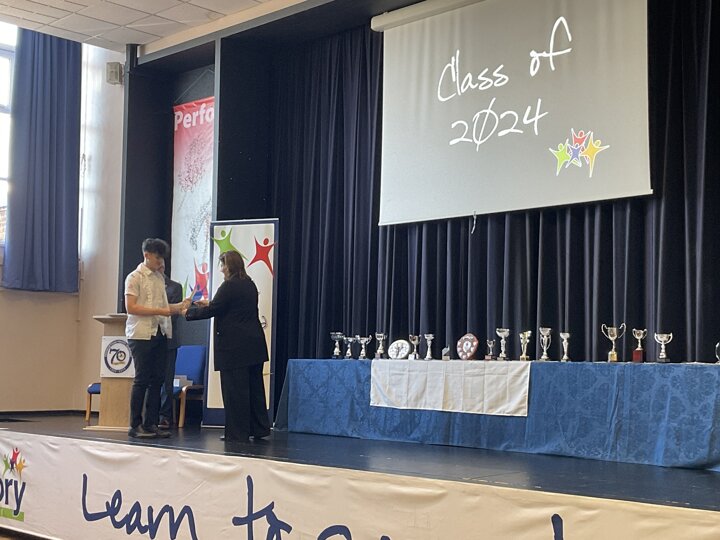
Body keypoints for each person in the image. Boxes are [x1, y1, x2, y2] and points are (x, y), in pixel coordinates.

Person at [183, 250, 271, 443]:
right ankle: (259, 428)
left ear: (230, 266)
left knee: (235, 392)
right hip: (254, 345)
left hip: (234, 348)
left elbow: (215, 309)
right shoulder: (249, 284)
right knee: (255, 390)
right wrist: (211, 303)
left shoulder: (229, 285)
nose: (221, 269)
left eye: (223, 265)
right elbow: (230, 306)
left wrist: (188, 312)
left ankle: (237, 433)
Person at [125, 238, 189, 439]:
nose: (160, 262)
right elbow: (131, 307)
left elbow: (164, 307)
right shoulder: (134, 277)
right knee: (141, 379)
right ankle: (135, 425)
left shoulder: (160, 279)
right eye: (157, 258)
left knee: (158, 380)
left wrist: (180, 307)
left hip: (160, 332)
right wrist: (160, 311)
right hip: (141, 334)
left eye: (162, 258)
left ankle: (151, 423)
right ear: (147, 255)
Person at [159, 262, 183, 429]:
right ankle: (149, 416)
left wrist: (153, 312)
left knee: (166, 381)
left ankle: (164, 417)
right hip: (148, 338)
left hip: (168, 340)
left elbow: (173, 314)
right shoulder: (145, 285)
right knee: (149, 380)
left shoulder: (175, 287)